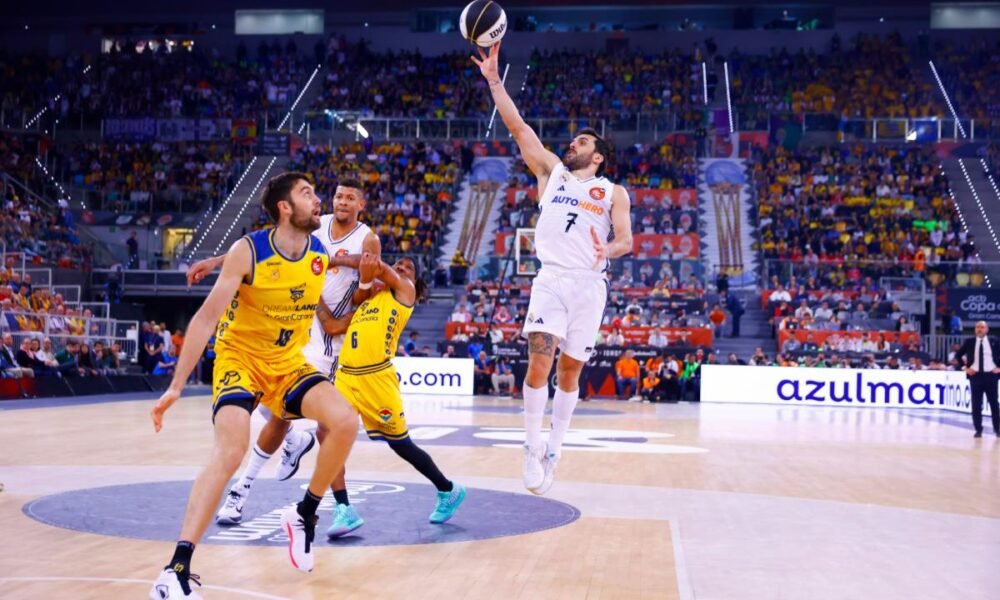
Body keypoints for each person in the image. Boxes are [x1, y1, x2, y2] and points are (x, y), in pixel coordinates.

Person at [148, 172, 361, 597]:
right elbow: (205, 319)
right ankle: (176, 569)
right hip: (240, 360)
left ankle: (304, 514)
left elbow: (346, 260)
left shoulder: (318, 253)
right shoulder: (249, 251)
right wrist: (176, 385)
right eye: (306, 194)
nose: (318, 200)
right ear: (285, 207)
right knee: (231, 451)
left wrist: (380, 270)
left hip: (286, 363)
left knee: (345, 421)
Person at [474, 41, 634, 494]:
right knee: (538, 366)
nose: (573, 144)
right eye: (574, 140)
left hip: (590, 285)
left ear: (597, 155)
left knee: (569, 374)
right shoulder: (552, 172)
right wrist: (494, 80)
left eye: (582, 142)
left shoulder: (613, 192)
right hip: (551, 279)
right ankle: (530, 447)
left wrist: (609, 250)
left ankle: (554, 450)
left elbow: (626, 240)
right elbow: (518, 126)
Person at [188, 178, 380, 526]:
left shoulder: (368, 239)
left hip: (325, 341)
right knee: (264, 404)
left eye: (350, 198)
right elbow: (267, 250)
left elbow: (362, 292)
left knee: (295, 418)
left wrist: (347, 289)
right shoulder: (315, 224)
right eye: (338, 196)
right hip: (294, 324)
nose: (341, 202)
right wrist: (218, 261)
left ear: (361, 205)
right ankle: (294, 445)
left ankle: (244, 491)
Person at [321, 253, 466, 537]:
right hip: (346, 376)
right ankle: (344, 509)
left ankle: (447, 489)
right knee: (326, 433)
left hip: (377, 377)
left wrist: (330, 261)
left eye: (408, 267)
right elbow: (333, 327)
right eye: (399, 262)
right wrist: (315, 295)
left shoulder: (405, 292)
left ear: (415, 279)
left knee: (401, 445)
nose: (401, 266)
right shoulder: (368, 301)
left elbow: (374, 265)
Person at [955, 321, 1000, 438]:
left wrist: (999, 368)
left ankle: (997, 429)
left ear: (987, 329)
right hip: (975, 376)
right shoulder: (969, 342)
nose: (979, 329)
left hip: (991, 375)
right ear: (975, 329)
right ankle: (978, 429)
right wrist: (965, 368)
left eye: (982, 327)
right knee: (976, 405)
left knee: (994, 404)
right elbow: (958, 355)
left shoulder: (994, 341)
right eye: (977, 327)